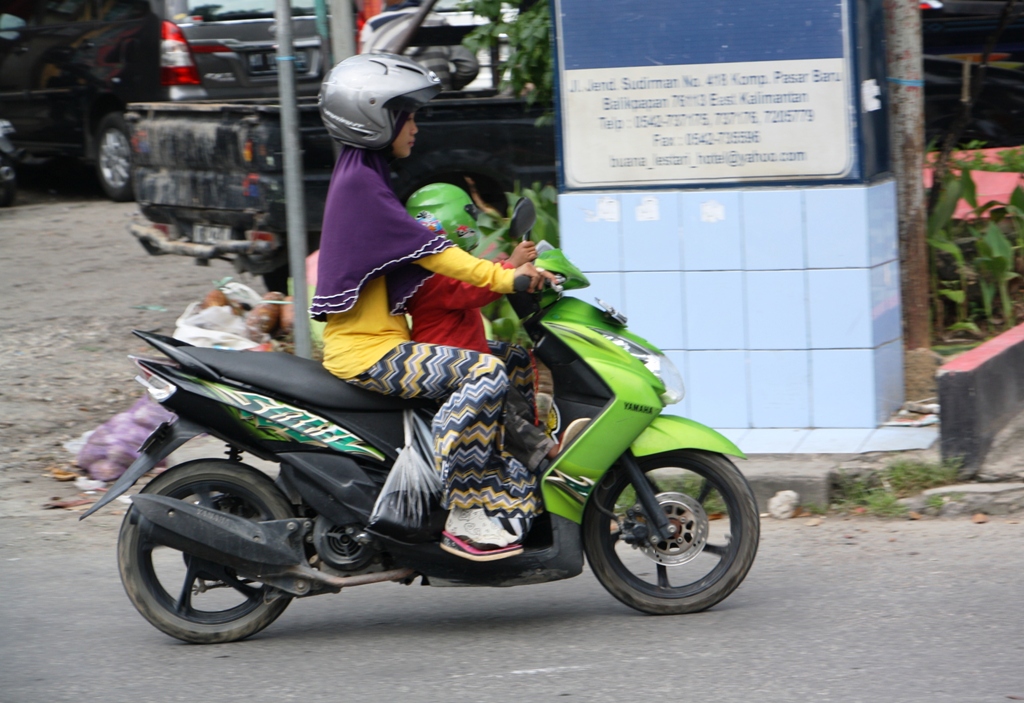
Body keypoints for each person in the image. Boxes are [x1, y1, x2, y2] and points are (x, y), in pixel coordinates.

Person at [311, 54, 556, 562]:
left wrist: (510, 271)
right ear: (377, 117)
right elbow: (440, 256)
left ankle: (520, 462)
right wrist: (508, 276)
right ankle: (465, 512)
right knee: (484, 373)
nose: (416, 128)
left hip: (384, 342)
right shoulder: (362, 185)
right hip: (366, 353)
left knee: (507, 356)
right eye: (409, 115)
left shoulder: (364, 176)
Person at [404, 183, 557, 470]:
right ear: (453, 222)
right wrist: (512, 266)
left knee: (516, 359)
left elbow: (479, 273)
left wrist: (513, 263)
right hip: (451, 366)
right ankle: (546, 456)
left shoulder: (442, 266)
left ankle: (530, 439)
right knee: (501, 405)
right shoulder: (432, 276)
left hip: (469, 355)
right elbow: (478, 288)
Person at [359, 0, 480, 91]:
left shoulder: (374, 25)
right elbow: (469, 67)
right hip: (437, 101)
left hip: (393, 105)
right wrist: (445, 86)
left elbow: (365, 71)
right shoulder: (438, 21)